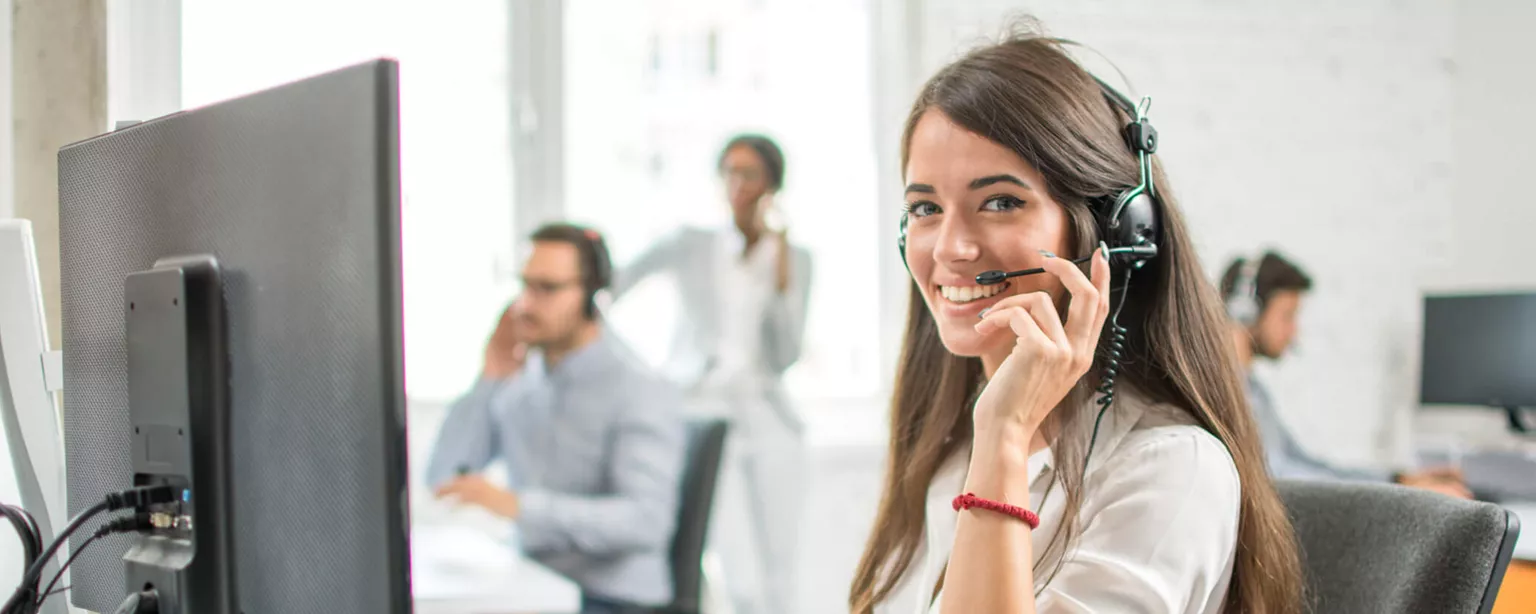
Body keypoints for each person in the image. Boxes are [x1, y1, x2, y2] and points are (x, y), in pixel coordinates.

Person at [848, 24, 1304, 614]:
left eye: (1001, 202)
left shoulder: (1170, 469)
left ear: (1114, 232)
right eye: (926, 207)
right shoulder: (949, 445)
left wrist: (1006, 438)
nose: (950, 248)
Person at [426, 223, 686, 614]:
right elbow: (445, 478)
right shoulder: (519, 381)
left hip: (610, 599)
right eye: (525, 285)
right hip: (533, 587)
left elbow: (646, 521)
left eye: (546, 289)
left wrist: (519, 506)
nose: (525, 306)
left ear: (592, 294)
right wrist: (489, 380)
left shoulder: (638, 388)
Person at [610, 134, 812, 614]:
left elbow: (786, 356)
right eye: (729, 172)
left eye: (749, 174)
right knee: (735, 567)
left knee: (781, 569)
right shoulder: (690, 244)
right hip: (703, 410)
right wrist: (650, 376)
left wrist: (780, 273)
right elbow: (611, 288)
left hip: (768, 417)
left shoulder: (796, 258)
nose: (737, 184)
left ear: (772, 185)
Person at [1220, 251, 1471, 498]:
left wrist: (1398, 479)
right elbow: (1282, 478)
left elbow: (1306, 465)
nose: (1294, 333)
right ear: (1245, 311)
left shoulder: (1255, 392)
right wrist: (1401, 495)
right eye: (1287, 316)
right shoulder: (1228, 395)